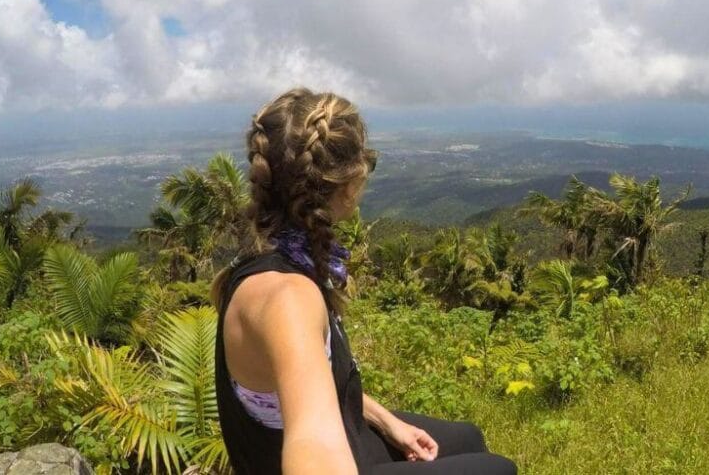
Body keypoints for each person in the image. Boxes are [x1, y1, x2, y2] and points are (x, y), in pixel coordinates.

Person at [212, 88, 518, 475]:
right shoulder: (288, 296)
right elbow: (313, 443)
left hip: (342, 428)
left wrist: (388, 422)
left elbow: (307, 381)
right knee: (496, 469)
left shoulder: (276, 255)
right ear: (346, 182)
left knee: (468, 438)